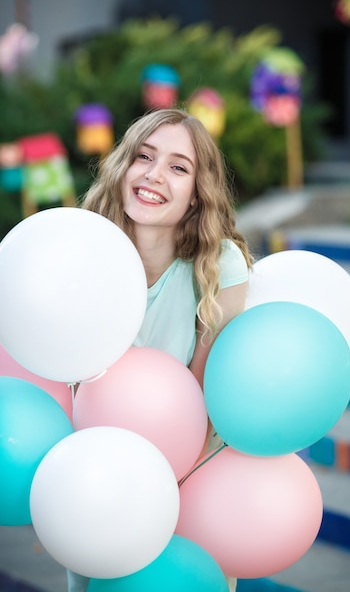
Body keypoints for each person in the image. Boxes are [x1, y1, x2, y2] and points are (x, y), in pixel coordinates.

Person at [67, 108, 252, 592]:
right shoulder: (84, 251)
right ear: (122, 166)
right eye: (143, 157)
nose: (153, 175)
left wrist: (160, 492)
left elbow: (205, 402)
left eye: (178, 166)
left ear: (197, 194)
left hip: (189, 476)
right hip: (98, 470)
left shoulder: (218, 266)